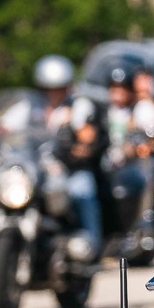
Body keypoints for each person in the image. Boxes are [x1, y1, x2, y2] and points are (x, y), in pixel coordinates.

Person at [26, 55, 105, 260]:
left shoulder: (78, 106)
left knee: (82, 191)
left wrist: (80, 141)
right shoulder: (31, 108)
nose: (53, 93)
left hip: (70, 168)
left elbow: (87, 135)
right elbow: (6, 128)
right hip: (37, 168)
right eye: (48, 88)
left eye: (59, 87)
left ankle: (91, 245)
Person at [102, 64, 154, 252]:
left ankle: (145, 224)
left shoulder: (140, 108)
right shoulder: (103, 111)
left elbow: (153, 131)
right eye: (114, 89)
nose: (118, 94)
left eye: (122, 89)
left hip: (131, 163)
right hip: (108, 164)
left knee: (147, 175)